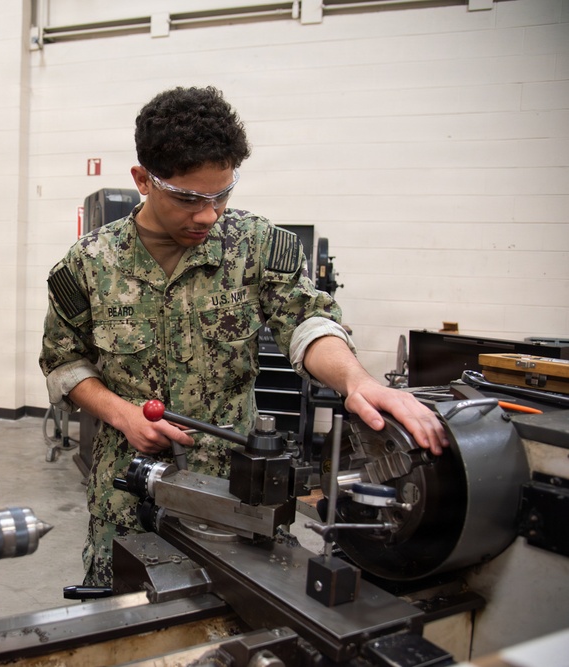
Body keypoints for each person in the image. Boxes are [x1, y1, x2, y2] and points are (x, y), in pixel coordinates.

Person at [39, 86, 447, 587]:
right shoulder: (88, 265)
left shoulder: (255, 246)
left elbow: (307, 321)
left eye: (221, 195)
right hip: (129, 493)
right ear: (143, 180)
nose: (208, 215)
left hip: (238, 493)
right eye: (189, 198)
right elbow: (65, 362)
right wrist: (122, 415)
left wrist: (357, 381)